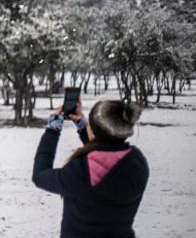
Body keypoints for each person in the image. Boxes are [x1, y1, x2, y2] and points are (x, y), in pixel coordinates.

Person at [32, 99, 149, 237]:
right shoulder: (137, 162)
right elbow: (107, 154)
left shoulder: (80, 172)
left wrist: (53, 130)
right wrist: (83, 126)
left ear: (94, 130)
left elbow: (40, 175)